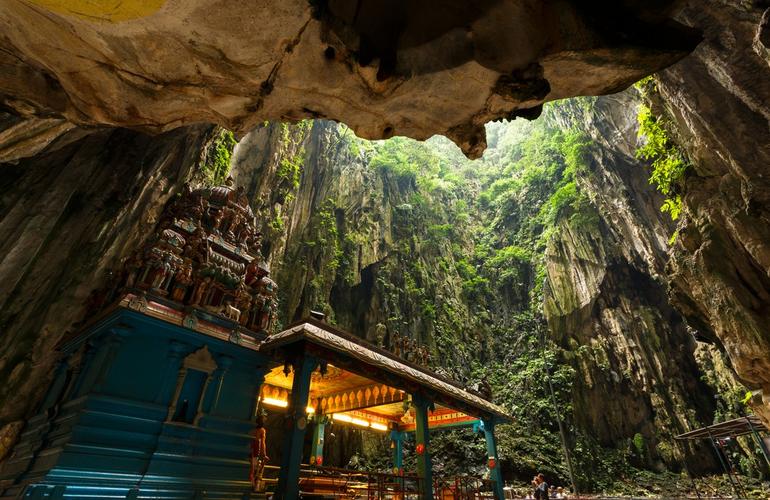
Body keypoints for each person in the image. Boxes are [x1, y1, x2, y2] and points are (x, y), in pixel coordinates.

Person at [250, 413, 269, 492]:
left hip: (249, 454)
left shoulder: (252, 430)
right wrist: (264, 455)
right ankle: (256, 487)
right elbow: (262, 444)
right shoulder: (262, 431)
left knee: (252, 471)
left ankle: (252, 485)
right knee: (258, 471)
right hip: (256, 454)